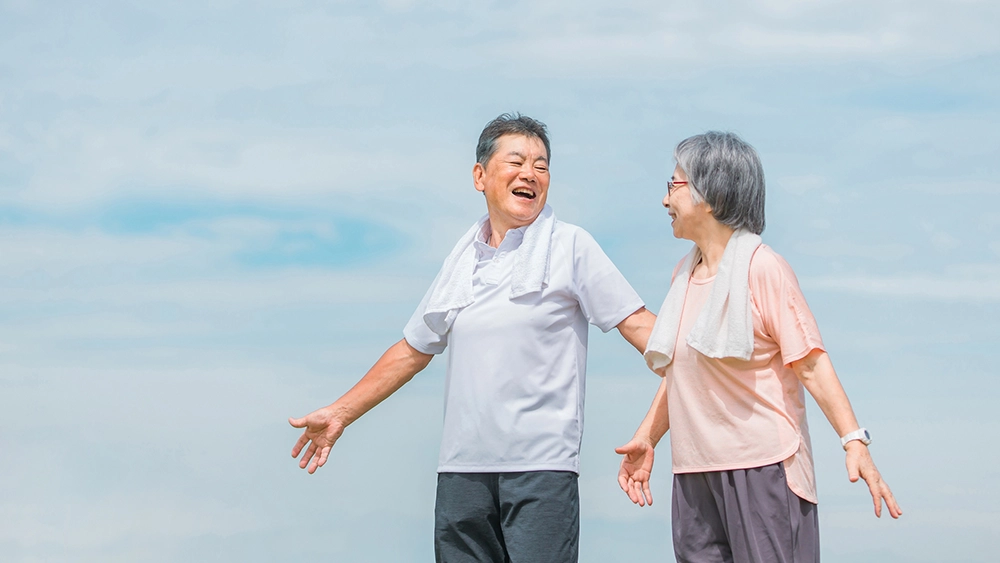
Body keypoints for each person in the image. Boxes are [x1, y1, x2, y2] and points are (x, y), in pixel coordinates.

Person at [289, 113, 656, 563]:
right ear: (480, 176)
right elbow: (412, 349)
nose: (530, 174)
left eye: (541, 166)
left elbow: (638, 325)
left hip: (540, 471)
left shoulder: (571, 246)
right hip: (461, 474)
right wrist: (341, 413)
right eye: (517, 161)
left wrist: (712, 363)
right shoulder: (462, 259)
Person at [614, 132, 902, 563]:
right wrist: (646, 437)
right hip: (694, 474)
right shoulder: (683, 275)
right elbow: (685, 375)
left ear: (709, 194)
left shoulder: (763, 268)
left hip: (763, 468)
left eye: (673, 185)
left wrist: (854, 441)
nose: (664, 200)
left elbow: (810, 363)